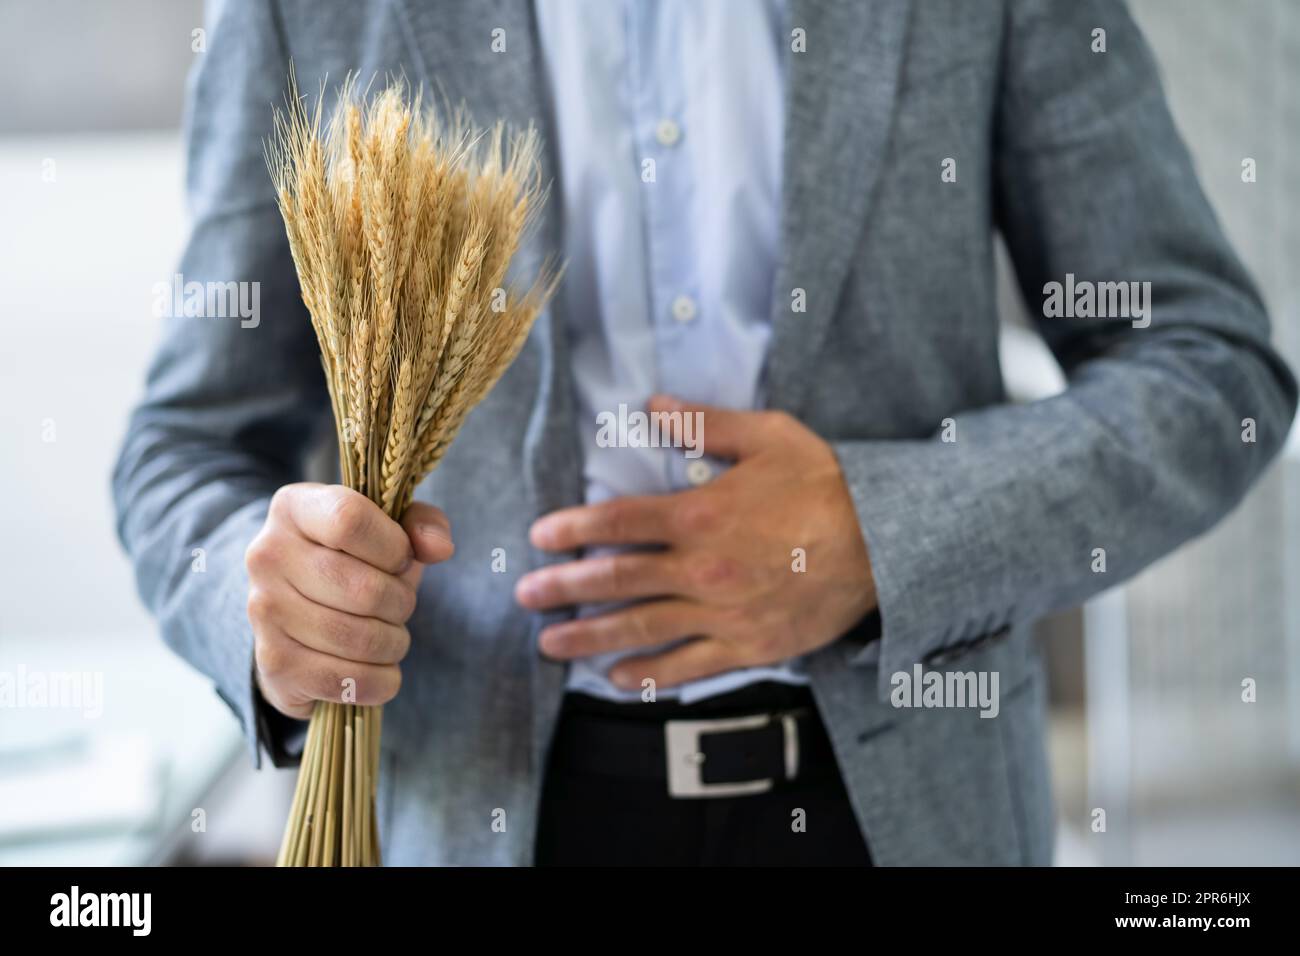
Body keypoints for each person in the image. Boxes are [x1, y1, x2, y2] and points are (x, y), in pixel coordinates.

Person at [114, 0, 1296, 866]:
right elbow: (183, 446)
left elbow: (1214, 370)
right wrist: (266, 606)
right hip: (483, 816)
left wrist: (882, 533)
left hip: (906, 813)